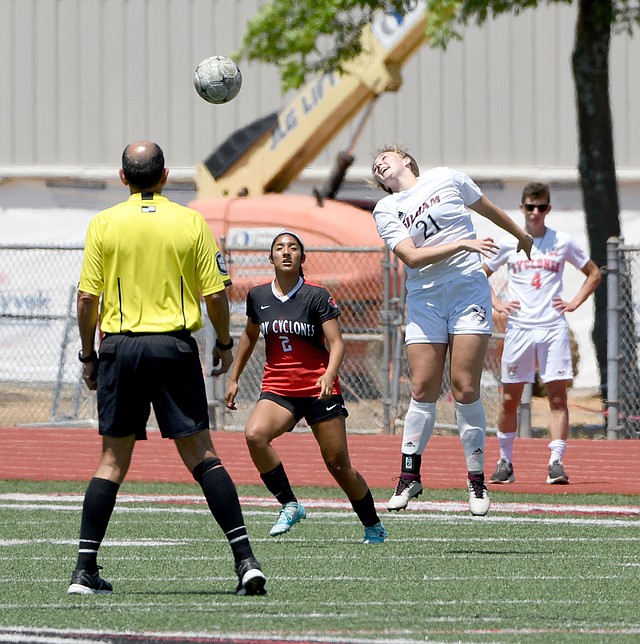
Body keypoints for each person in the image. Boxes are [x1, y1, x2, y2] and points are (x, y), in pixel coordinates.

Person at [68, 141, 266, 596]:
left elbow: (86, 298)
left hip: (120, 347)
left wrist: (89, 355)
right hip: (174, 347)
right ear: (165, 176)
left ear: (123, 177)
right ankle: (246, 562)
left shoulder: (103, 224)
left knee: (112, 460)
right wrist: (222, 340)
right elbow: (215, 294)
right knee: (202, 453)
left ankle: (84, 570)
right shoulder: (190, 221)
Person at [371, 146, 533, 516]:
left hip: (466, 288)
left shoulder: (447, 177)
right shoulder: (386, 209)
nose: (380, 164)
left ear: (406, 159)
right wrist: (462, 242)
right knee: (422, 388)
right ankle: (409, 476)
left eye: (386, 157)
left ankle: (476, 482)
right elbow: (411, 256)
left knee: (465, 387)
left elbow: (486, 207)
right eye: (376, 167)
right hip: (426, 298)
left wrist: (520, 234)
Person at [224, 231, 387, 544]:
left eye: (293, 248)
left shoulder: (316, 294)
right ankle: (289, 504)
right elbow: (249, 335)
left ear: (302, 257)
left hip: (318, 388)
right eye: (280, 248)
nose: (286, 252)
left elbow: (337, 342)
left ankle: (372, 524)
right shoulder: (258, 295)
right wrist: (234, 377)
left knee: (338, 465)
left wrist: (329, 374)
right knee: (255, 435)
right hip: (278, 387)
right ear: (270, 258)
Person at [483, 181, 601, 484]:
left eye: (542, 207)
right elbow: (480, 275)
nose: (536, 212)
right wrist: (497, 303)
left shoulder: (562, 241)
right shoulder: (509, 242)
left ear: (548, 209)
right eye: (530, 207)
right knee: (510, 398)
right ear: (522, 208)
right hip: (520, 328)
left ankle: (556, 462)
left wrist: (574, 302)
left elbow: (593, 272)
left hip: (552, 327)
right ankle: (505, 461)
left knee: (557, 397)